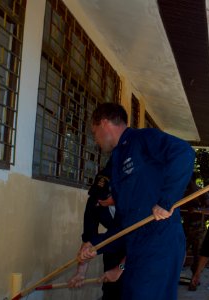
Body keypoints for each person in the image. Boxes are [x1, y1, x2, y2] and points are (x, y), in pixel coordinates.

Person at [80, 102, 195, 300]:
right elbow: (127, 225)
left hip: (159, 244)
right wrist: (95, 244)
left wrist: (166, 201)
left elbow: (184, 152)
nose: (95, 139)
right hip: (137, 251)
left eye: (94, 131)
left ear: (104, 123)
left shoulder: (142, 139)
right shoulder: (116, 161)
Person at [67, 161, 125, 299]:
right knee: (110, 291)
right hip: (113, 246)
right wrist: (81, 272)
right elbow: (88, 238)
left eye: (104, 198)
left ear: (116, 194)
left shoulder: (133, 204)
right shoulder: (95, 201)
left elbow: (139, 241)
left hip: (139, 252)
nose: (98, 202)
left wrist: (120, 269)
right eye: (96, 196)